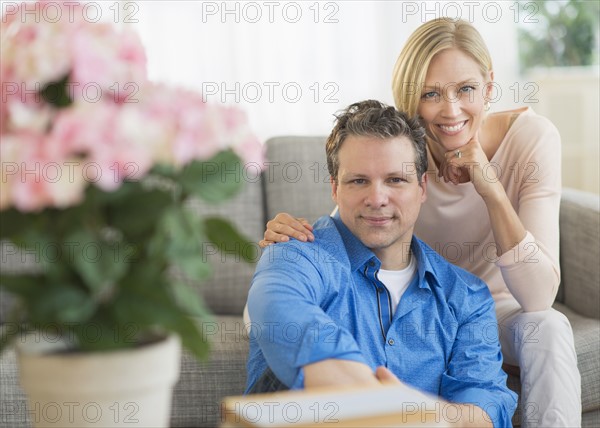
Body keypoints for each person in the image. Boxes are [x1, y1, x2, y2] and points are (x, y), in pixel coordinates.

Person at [258, 18, 581, 428]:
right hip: (425, 305)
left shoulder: (531, 139)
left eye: (466, 88)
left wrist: (491, 188)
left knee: (549, 328)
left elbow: (538, 297)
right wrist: (288, 249)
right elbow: (357, 223)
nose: (450, 110)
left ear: (489, 86)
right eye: (431, 94)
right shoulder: (401, 150)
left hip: (487, 306)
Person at [246, 100, 517, 428]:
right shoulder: (294, 255)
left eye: (395, 180)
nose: (376, 199)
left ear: (422, 188)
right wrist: (395, 408)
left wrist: (429, 415)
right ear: (334, 188)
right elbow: (285, 318)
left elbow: (485, 405)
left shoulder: (466, 297)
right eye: (358, 181)